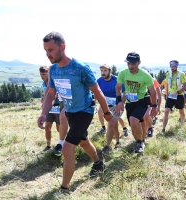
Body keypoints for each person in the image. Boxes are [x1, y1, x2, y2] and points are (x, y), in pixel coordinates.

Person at [37, 32, 112, 191]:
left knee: (67, 148)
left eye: (51, 50)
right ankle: (98, 163)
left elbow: (97, 92)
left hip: (84, 110)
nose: (47, 54)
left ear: (62, 47)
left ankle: (64, 189)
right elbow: (51, 93)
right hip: (69, 110)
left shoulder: (80, 68)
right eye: (46, 50)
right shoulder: (54, 70)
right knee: (83, 141)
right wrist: (44, 113)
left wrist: (106, 113)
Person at [114, 52, 157, 153]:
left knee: (134, 121)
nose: (130, 66)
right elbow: (118, 87)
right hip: (130, 102)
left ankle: (140, 142)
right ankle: (140, 139)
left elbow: (153, 92)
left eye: (133, 64)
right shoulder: (123, 73)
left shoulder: (145, 75)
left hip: (142, 101)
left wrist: (154, 107)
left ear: (139, 63)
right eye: (128, 63)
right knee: (133, 127)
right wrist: (119, 101)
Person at [97, 64, 126, 155]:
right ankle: (117, 142)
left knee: (110, 124)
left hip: (118, 105)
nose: (103, 73)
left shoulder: (117, 80)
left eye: (105, 71)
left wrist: (120, 104)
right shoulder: (99, 81)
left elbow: (125, 94)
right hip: (106, 105)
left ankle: (107, 146)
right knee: (114, 126)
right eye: (101, 71)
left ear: (110, 71)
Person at [161, 60, 186, 134]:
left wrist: (177, 92)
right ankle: (163, 129)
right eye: (171, 66)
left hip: (179, 96)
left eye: (174, 66)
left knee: (181, 111)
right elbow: (167, 85)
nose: (172, 67)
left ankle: (182, 123)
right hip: (170, 96)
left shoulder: (181, 74)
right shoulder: (168, 74)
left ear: (177, 66)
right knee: (166, 112)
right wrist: (166, 94)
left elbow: (184, 87)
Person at [39, 66, 60, 152]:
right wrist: (44, 101)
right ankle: (48, 146)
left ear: (49, 73)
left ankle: (61, 144)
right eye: (40, 74)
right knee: (47, 127)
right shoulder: (43, 84)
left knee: (59, 128)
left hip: (58, 107)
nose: (42, 76)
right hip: (49, 109)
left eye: (44, 74)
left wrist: (53, 98)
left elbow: (58, 95)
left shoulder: (55, 82)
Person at [142, 72, 162, 138]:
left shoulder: (154, 81)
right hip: (144, 101)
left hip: (152, 102)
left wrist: (158, 107)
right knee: (143, 119)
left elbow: (159, 94)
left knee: (147, 116)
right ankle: (144, 135)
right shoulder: (142, 79)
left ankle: (149, 129)